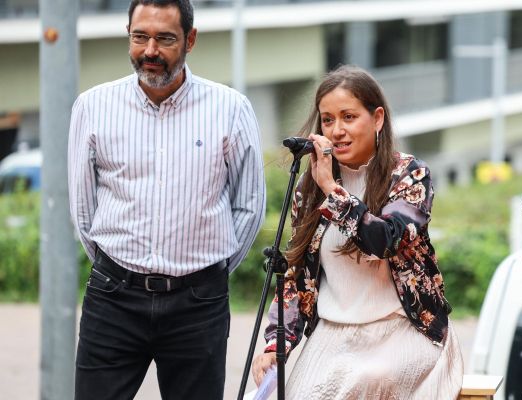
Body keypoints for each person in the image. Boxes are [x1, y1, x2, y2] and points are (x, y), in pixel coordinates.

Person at [67, 0, 266, 398]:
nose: (150, 50)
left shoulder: (230, 109)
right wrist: (120, 272)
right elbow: (84, 210)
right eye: (140, 36)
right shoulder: (92, 107)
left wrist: (205, 275)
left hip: (199, 305)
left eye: (165, 38)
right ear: (128, 35)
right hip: (113, 298)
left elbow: (249, 206)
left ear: (190, 40)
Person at [250, 65, 464, 399]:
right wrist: (275, 344)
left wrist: (331, 189)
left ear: (377, 119)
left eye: (348, 117)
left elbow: (385, 241)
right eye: (328, 120)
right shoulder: (308, 190)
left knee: (364, 380)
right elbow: (294, 275)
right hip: (333, 335)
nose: (336, 130)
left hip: (401, 330)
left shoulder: (409, 175)